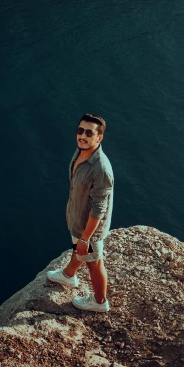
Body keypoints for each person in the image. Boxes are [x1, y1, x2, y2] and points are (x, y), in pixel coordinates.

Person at [47, 113, 114, 313]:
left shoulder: (100, 168)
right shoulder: (80, 153)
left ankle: (100, 301)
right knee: (81, 251)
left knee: (94, 262)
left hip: (89, 227)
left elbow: (99, 208)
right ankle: (68, 275)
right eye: (80, 130)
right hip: (78, 219)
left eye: (89, 133)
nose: (82, 136)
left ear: (99, 137)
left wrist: (86, 238)